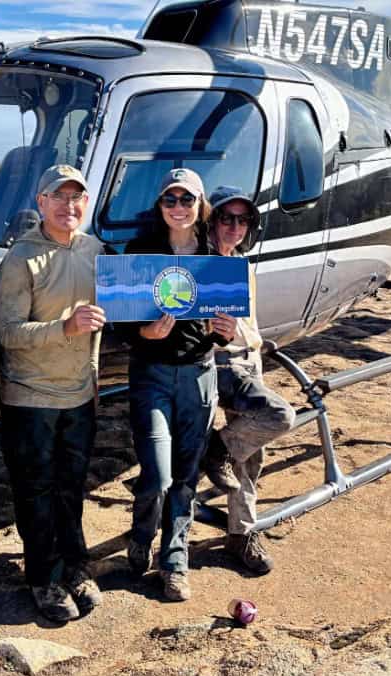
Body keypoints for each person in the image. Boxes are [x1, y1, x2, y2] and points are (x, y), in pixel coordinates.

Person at [0, 165, 106, 622]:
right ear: (41, 202)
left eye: (77, 197)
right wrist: (64, 327)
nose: (69, 206)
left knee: (71, 488)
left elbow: (103, 322)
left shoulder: (94, 250)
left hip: (79, 395)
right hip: (30, 398)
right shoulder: (21, 258)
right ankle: (43, 577)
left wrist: (95, 378)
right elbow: (7, 333)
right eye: (58, 197)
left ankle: (74, 568)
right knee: (36, 491)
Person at [121, 168, 237, 601]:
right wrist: (143, 335)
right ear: (160, 205)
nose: (179, 208)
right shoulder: (141, 252)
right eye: (170, 200)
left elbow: (223, 327)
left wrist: (224, 333)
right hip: (150, 374)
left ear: (200, 204)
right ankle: (140, 532)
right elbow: (122, 323)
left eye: (187, 200)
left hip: (198, 374)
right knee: (157, 474)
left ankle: (175, 561)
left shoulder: (214, 256)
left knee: (185, 477)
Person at [203, 185, 296, 574]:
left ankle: (241, 531)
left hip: (248, 359)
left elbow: (249, 324)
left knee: (251, 453)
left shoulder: (241, 264)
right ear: (212, 221)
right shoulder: (199, 264)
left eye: (243, 220)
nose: (235, 227)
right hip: (217, 363)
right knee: (279, 416)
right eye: (227, 218)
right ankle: (213, 454)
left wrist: (255, 348)